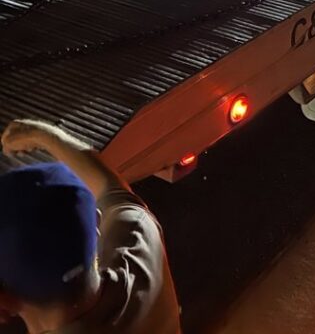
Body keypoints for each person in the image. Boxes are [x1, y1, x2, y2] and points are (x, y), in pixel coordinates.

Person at [0, 119, 181, 333]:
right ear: (96, 223)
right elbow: (111, 188)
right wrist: (47, 136)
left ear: (7, 301)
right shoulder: (140, 241)